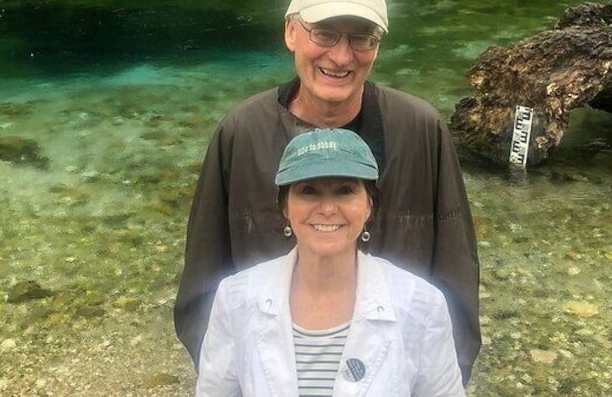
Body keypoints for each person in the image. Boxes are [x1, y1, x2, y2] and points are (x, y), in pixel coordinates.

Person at [175, 0, 480, 384]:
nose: (341, 56)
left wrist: (446, 375)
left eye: (361, 38)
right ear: (291, 32)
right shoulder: (241, 132)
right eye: (324, 33)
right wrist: (234, 374)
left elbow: (456, 270)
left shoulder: (420, 129)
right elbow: (203, 278)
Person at [196, 129, 466, 396]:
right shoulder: (235, 298)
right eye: (309, 191)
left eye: (345, 191)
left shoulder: (422, 306)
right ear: (285, 207)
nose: (327, 209)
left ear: (369, 205)